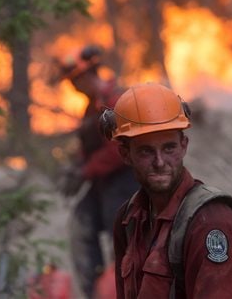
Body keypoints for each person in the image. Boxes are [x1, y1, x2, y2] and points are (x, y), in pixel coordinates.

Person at [103, 83, 232, 299]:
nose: (160, 162)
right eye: (146, 151)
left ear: (184, 146)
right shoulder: (128, 220)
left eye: (169, 148)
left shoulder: (211, 222)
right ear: (125, 154)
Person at [56, 45, 139, 298]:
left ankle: (129, 291)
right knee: (81, 226)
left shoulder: (115, 100)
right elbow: (91, 147)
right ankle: (96, 292)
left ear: (88, 74)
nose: (73, 87)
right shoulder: (91, 107)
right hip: (101, 182)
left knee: (124, 243)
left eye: (75, 80)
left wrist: (86, 171)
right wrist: (77, 166)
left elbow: (118, 150)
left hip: (125, 181)